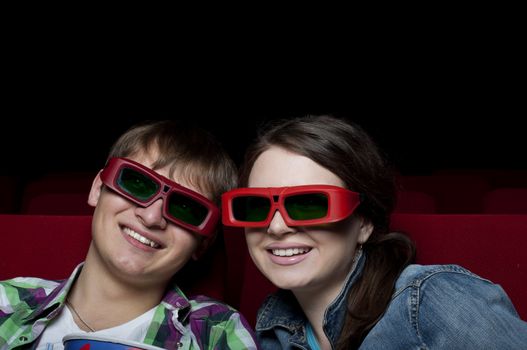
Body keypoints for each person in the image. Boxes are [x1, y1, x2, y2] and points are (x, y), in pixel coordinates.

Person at [221, 115, 527, 349]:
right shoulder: (273, 328)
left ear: (365, 223)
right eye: (256, 206)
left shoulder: (434, 301)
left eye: (309, 205)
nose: (276, 227)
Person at [0, 120, 258, 349]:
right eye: (138, 183)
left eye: (186, 208)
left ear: (203, 244)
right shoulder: (6, 303)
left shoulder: (217, 333)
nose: (151, 217)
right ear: (98, 189)